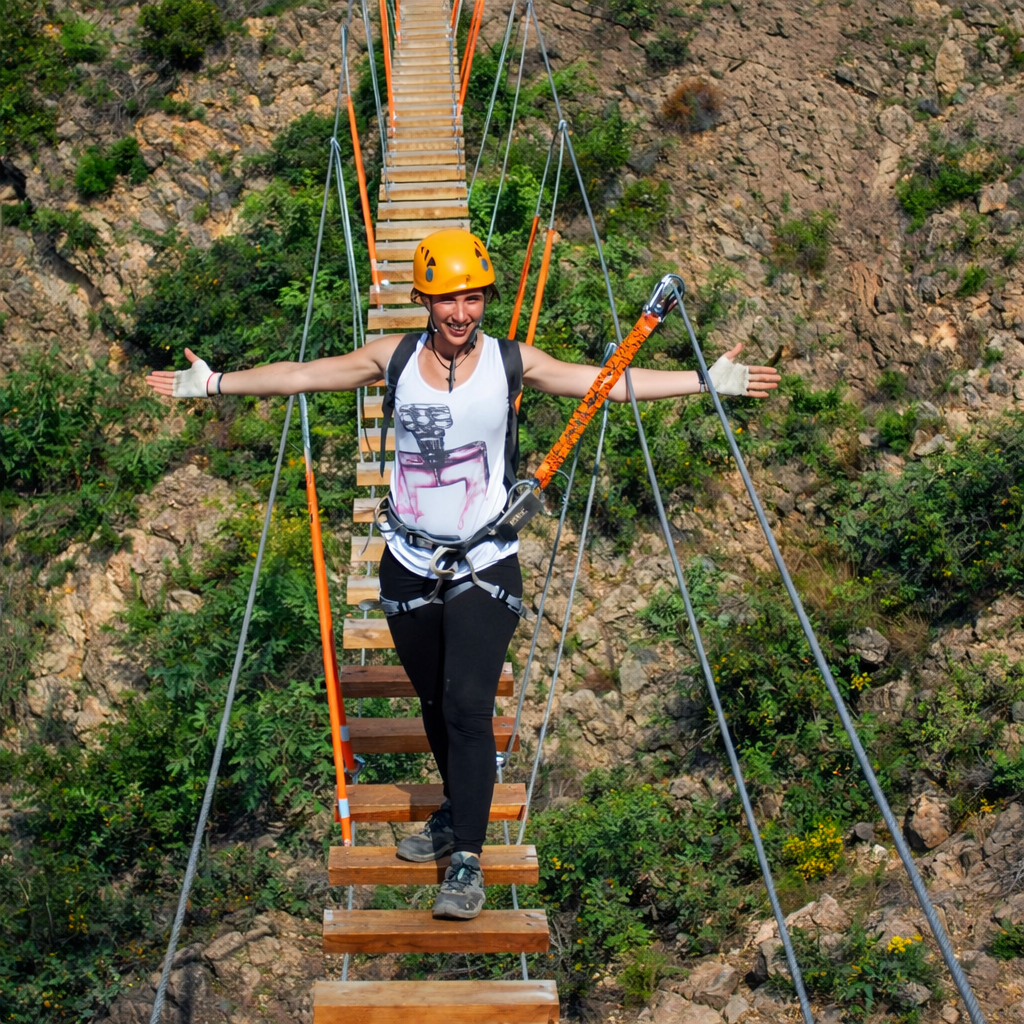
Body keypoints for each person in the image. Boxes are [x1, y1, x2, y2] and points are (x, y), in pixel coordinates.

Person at [146, 228, 780, 921]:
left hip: (484, 558)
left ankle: (468, 861)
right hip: (408, 561)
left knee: (468, 706)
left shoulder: (511, 361)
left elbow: (607, 385)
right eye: (448, 299)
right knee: (432, 704)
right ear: (423, 300)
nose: (461, 313)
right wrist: (212, 383)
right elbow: (302, 374)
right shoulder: (393, 358)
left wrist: (706, 381)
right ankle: (454, 811)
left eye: (473, 298)